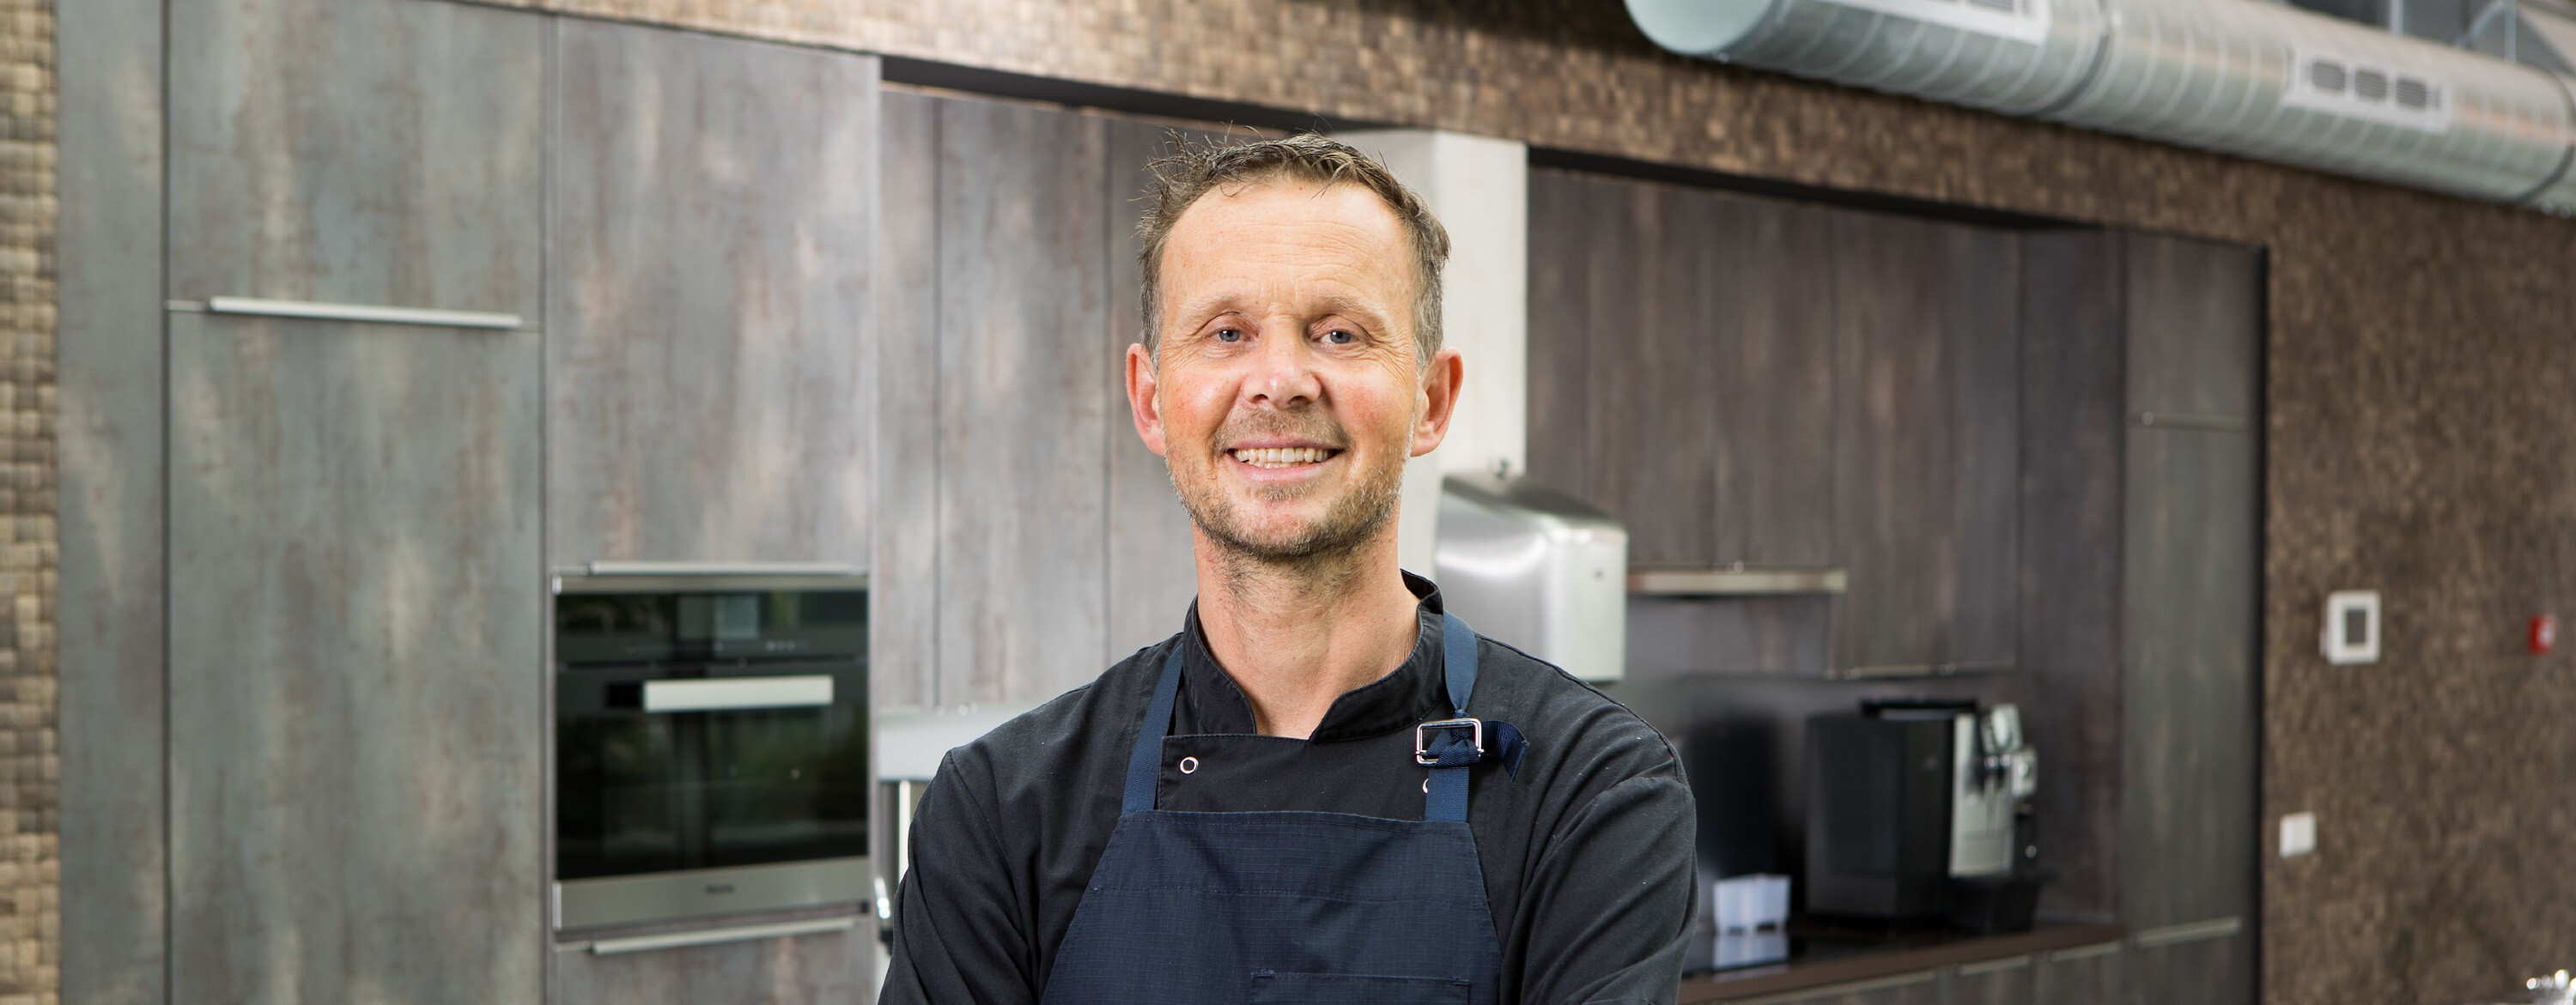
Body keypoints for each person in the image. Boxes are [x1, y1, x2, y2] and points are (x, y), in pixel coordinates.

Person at [879, 134, 1697, 1005]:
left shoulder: (1590, 789)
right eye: (1227, 332)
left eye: (1339, 333)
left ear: (1432, 400)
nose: (1280, 381)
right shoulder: (1003, 810)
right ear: (1152, 401)